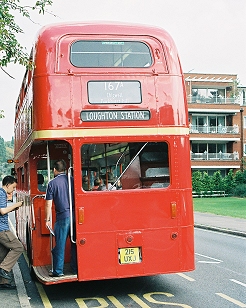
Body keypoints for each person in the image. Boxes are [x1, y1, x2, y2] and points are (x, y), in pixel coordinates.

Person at [45, 159, 77, 277]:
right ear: (64, 169)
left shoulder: (52, 183)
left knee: (60, 245)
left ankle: (58, 271)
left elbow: (48, 203)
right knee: (75, 243)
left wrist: (47, 219)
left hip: (62, 217)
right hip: (75, 216)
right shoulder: (73, 180)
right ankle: (75, 268)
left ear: (54, 170)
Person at [0, 176, 24, 289]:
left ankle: (3, 282)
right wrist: (16, 205)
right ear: (8, 184)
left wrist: (12, 208)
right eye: (13, 187)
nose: (13, 190)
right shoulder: (1, 193)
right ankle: (4, 269)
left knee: (2, 254)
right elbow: (2, 211)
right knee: (18, 247)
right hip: (2, 229)